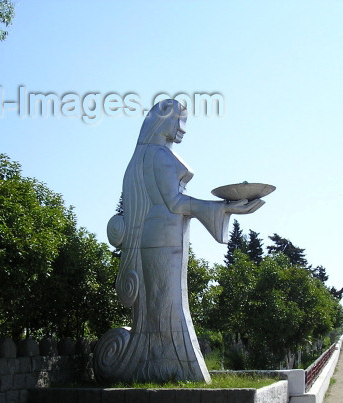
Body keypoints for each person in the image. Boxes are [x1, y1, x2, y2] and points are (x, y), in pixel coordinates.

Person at [96, 99, 263, 383]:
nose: (183, 128)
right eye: (180, 120)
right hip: (161, 235)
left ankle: (162, 367)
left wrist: (221, 208)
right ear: (163, 122)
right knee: (167, 306)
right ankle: (169, 370)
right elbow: (174, 202)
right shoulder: (158, 156)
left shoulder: (151, 154)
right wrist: (223, 207)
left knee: (166, 304)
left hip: (165, 233)